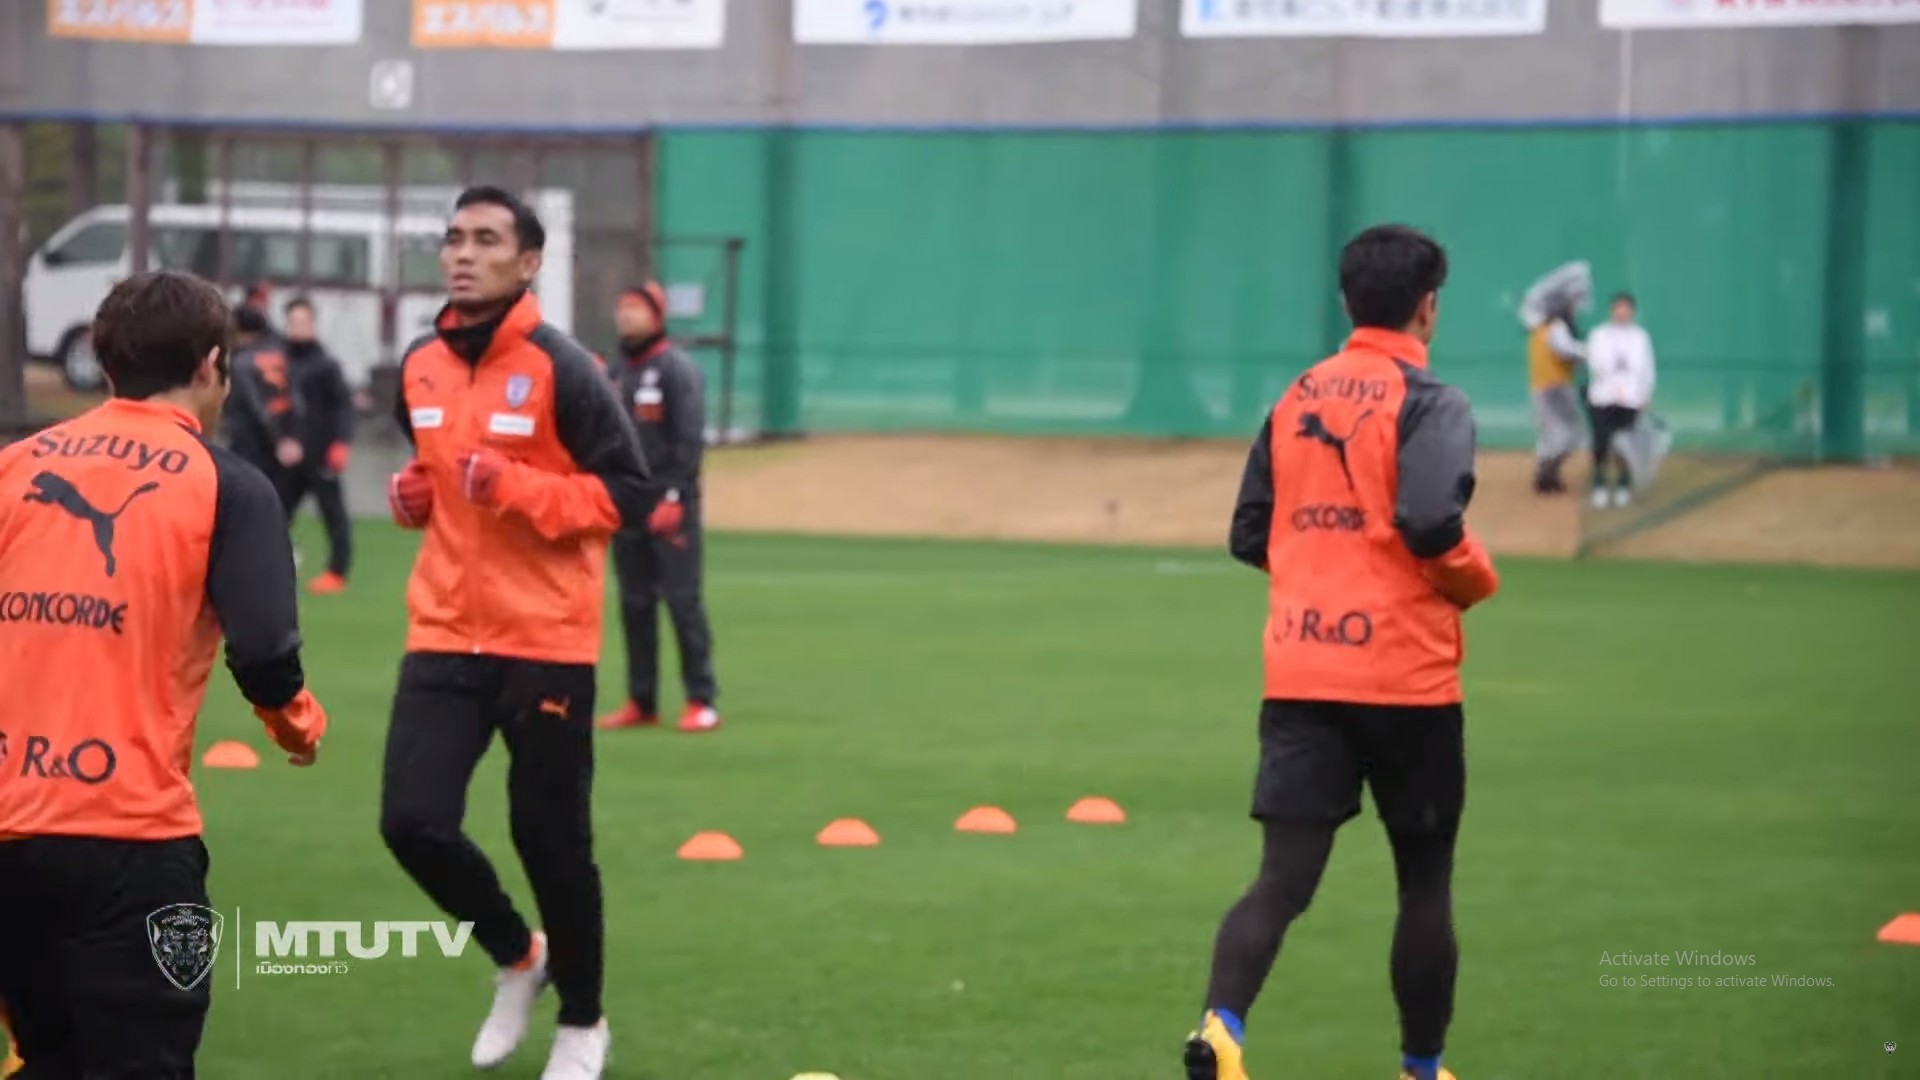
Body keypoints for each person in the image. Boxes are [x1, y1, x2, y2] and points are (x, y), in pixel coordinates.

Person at [1184, 225, 1500, 1080]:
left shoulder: (1296, 397)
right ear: (1428, 307)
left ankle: (1220, 1029)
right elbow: (1431, 522)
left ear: (1345, 301)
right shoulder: (1433, 402)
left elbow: (1250, 532)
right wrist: (1475, 579)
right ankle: (1422, 1069)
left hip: (1301, 672)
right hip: (1406, 683)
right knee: (1423, 884)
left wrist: (1318, 579)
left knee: (1281, 880)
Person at [0, 270, 328, 1077]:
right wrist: (297, 727)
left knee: (46, 1058)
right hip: (130, 841)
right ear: (212, 364)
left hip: (8, 826)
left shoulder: (14, 466)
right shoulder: (228, 486)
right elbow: (265, 653)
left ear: (106, 361)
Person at [379, 186, 650, 1080]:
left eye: (487, 239)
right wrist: (415, 498)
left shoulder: (566, 369)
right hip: (444, 631)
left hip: (546, 642)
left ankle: (583, 1020)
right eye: (455, 237)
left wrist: (516, 487)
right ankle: (518, 954)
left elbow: (628, 494)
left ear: (528, 262)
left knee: (550, 840)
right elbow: (433, 475)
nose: (464, 253)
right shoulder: (419, 363)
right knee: (411, 822)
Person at [596, 281, 721, 735]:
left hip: (670, 506)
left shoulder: (676, 370)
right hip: (627, 505)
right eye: (621, 308)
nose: (626, 316)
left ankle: (701, 699)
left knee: (682, 601)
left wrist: (674, 497)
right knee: (634, 603)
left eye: (635, 308)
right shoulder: (615, 373)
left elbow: (688, 440)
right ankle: (641, 699)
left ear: (657, 315)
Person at [278, 297, 357, 593]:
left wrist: (341, 443)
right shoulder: (279, 362)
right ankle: (274, 567)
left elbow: (343, 407)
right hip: (289, 456)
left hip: (321, 453)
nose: (298, 326)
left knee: (333, 514)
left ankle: (337, 572)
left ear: (313, 323)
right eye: (293, 321)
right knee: (275, 513)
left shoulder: (326, 365)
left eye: (303, 321)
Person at [1583, 292, 1657, 509]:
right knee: (1601, 442)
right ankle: (1600, 485)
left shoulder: (1640, 337)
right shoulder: (1599, 334)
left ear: (1632, 312)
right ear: (1612, 310)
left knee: (1626, 444)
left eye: (1626, 308)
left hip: (1631, 400)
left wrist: (1645, 394)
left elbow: (1647, 368)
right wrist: (1612, 385)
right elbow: (1594, 363)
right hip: (1603, 397)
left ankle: (1623, 484)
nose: (1622, 312)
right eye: (1618, 308)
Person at [1526, 293, 1588, 495]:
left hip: (1540, 387)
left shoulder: (1537, 329)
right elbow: (1566, 350)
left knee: (1549, 433)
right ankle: (1548, 472)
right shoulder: (1556, 327)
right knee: (1570, 433)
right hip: (1556, 387)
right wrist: (1590, 350)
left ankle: (1547, 476)